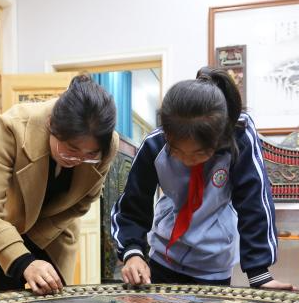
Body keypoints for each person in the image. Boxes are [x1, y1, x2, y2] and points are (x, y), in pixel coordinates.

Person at [112, 67, 287, 289]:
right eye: (177, 151)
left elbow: (254, 202)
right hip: (164, 254)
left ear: (219, 138)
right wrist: (133, 252)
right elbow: (133, 204)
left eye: (199, 153)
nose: (187, 161)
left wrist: (259, 273)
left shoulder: (239, 136)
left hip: (213, 260)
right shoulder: (154, 144)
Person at [0, 74, 118, 295]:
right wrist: (23, 259)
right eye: (70, 149)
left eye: (90, 155)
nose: (78, 160)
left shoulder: (108, 145)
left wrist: (35, 240)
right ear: (50, 125)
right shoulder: (12, 128)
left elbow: (83, 202)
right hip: (2, 231)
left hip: (54, 235)